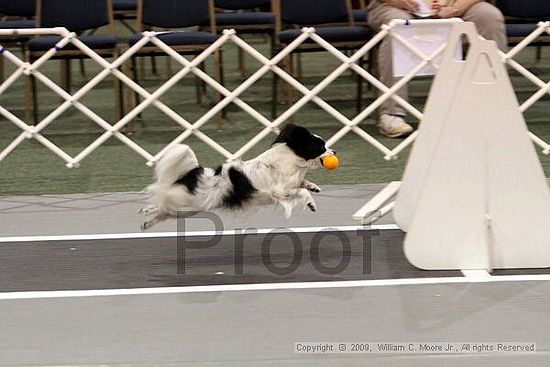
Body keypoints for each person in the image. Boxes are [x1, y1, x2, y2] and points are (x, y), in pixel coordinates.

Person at [367, 0, 507, 138]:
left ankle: (492, 105)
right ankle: (392, 113)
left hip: (454, 4)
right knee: (398, 23)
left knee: (488, 16)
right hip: (394, 5)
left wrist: (454, 8)